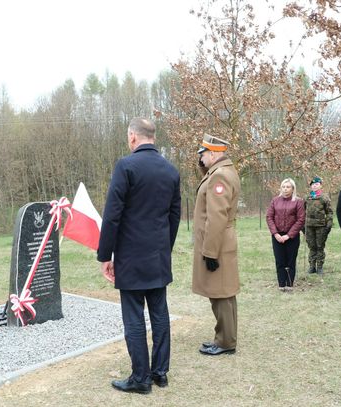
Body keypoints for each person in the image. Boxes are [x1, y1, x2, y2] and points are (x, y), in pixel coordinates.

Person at [97, 117, 181, 394]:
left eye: (128, 136)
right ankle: (160, 373)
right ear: (152, 137)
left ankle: (141, 379)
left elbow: (112, 215)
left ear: (133, 136)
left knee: (134, 317)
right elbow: (174, 216)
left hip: (131, 257)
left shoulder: (126, 166)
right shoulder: (171, 170)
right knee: (159, 313)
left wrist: (105, 255)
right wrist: (164, 248)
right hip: (158, 256)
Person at [192, 133, 240, 356]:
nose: (200, 158)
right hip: (221, 241)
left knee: (220, 294)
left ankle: (225, 342)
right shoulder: (221, 172)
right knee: (223, 293)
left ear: (212, 154)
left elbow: (217, 216)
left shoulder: (219, 176)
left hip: (217, 243)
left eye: (203, 154)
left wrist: (210, 252)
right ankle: (224, 338)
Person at [266, 179, 305, 291]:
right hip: (277, 236)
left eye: (288, 187)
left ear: (293, 189)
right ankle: (281, 284)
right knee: (280, 260)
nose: (285, 189)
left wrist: (288, 235)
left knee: (290, 260)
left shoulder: (298, 202)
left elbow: (301, 219)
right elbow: (269, 217)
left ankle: (289, 284)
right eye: (283, 187)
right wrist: (275, 234)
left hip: (292, 236)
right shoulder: (275, 201)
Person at [304, 177, 333, 275]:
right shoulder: (307, 198)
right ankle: (312, 266)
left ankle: (320, 267)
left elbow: (329, 212)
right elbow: (303, 211)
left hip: (321, 226)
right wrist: (302, 225)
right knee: (312, 246)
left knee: (320, 246)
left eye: (316, 184)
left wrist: (329, 223)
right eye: (312, 184)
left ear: (320, 185)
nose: (314, 186)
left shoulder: (324, 198)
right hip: (309, 226)